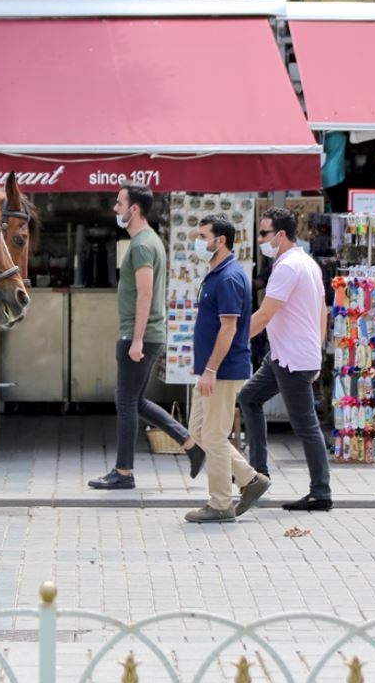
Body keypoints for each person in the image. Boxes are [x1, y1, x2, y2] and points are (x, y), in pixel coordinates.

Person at [90, 184, 204, 490]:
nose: (115, 209)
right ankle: (191, 445)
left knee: (126, 402)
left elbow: (145, 293)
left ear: (134, 209)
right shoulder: (149, 240)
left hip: (139, 333)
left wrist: (136, 339)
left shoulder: (141, 245)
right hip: (146, 332)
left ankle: (123, 472)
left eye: (119, 203)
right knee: (135, 401)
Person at [239, 206, 332, 512]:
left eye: (264, 233)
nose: (261, 239)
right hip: (285, 355)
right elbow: (322, 310)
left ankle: (321, 493)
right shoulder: (307, 263)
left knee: (306, 426)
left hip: (292, 357)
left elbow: (265, 314)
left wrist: (232, 344)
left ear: (280, 235)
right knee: (249, 398)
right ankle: (259, 473)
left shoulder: (287, 267)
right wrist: (317, 351)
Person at [184, 215, 270, 523]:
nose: (198, 241)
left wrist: (210, 369)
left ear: (219, 241)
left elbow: (229, 328)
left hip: (221, 370)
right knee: (198, 430)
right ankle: (250, 478)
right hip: (211, 370)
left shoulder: (230, 277)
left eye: (203, 236)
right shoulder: (216, 273)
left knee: (215, 435)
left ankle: (220, 504)